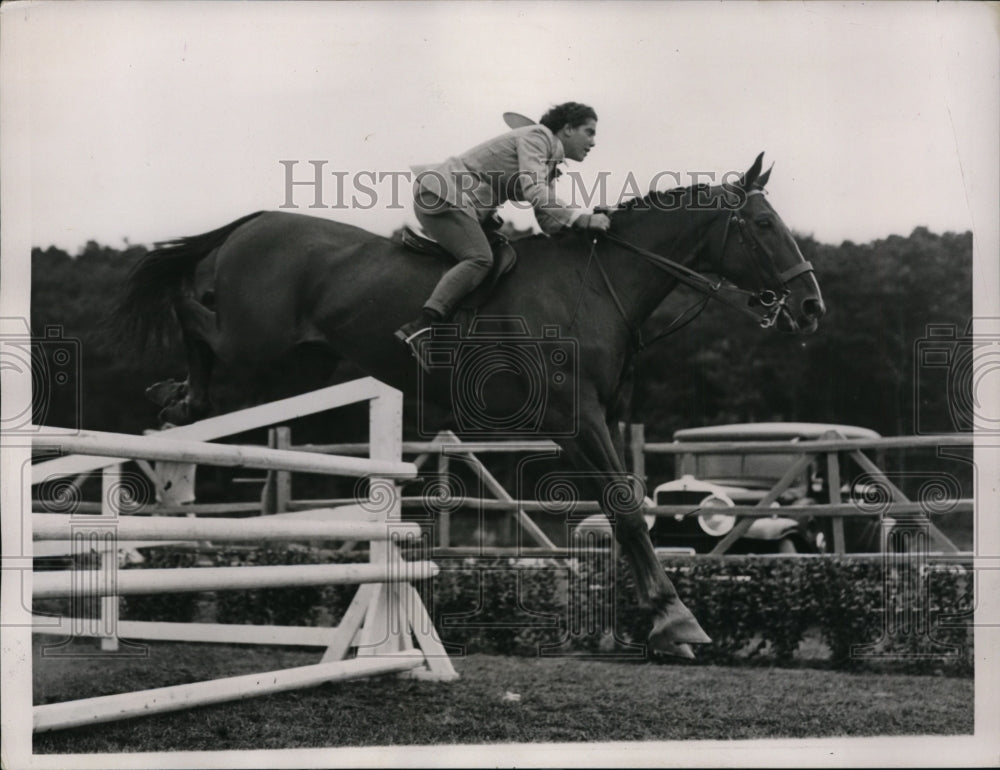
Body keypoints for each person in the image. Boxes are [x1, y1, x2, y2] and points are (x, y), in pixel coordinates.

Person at [395, 101, 612, 363]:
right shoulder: (538, 137)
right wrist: (581, 219)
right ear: (567, 129)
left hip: (462, 204)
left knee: (502, 257)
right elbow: (534, 189)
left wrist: (586, 230)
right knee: (479, 258)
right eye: (589, 132)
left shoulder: (549, 163)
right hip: (442, 195)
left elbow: (547, 219)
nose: (593, 142)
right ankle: (420, 328)